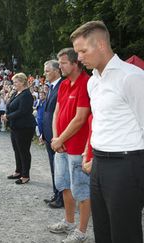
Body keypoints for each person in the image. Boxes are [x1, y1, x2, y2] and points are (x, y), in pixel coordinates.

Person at [71, 20, 144, 243]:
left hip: (126, 164)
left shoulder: (131, 77)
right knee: (102, 230)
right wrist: (91, 154)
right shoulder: (93, 82)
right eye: (77, 52)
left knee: (125, 233)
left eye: (83, 51)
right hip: (99, 163)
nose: (79, 58)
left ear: (101, 45)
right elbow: (100, 122)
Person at [47, 48, 91, 243]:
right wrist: (57, 139)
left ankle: (81, 231)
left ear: (75, 63)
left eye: (63, 63)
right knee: (64, 184)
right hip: (61, 145)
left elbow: (81, 118)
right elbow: (57, 112)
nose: (60, 66)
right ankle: (69, 221)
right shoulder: (64, 84)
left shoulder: (85, 83)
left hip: (76, 147)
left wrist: (60, 140)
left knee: (81, 189)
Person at [2, 73, 36, 184]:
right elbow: (10, 105)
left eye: (16, 82)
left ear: (22, 82)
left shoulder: (26, 95)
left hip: (25, 127)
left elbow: (22, 111)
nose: (14, 84)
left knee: (24, 151)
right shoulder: (16, 93)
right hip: (15, 126)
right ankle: (18, 171)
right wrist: (6, 115)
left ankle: (25, 175)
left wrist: (8, 116)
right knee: (17, 149)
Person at [41, 60, 64, 209]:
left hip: (57, 135)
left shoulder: (62, 85)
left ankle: (61, 198)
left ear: (56, 71)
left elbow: (59, 113)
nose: (45, 74)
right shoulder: (51, 87)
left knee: (59, 168)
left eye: (47, 71)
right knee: (53, 166)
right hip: (49, 133)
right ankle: (56, 194)